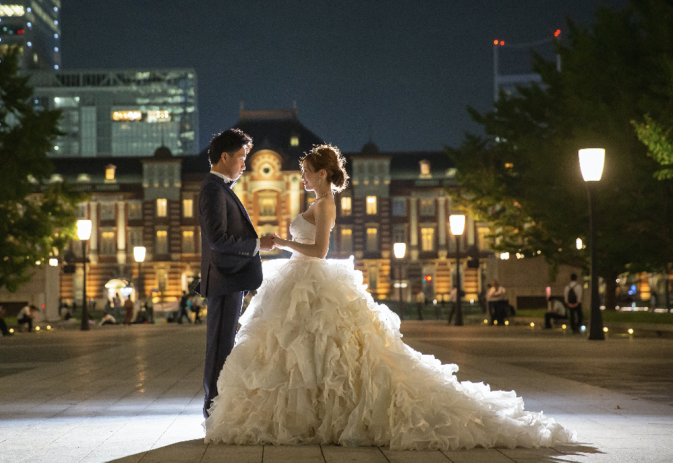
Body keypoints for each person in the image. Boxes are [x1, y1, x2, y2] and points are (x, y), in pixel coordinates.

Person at [204, 144, 574, 450]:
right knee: (303, 352)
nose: (301, 177)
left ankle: (321, 412)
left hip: (310, 277)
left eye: (304, 172)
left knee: (319, 350)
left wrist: (280, 242)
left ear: (321, 174)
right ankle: (311, 412)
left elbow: (318, 251)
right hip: (298, 279)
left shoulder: (326, 205)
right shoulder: (318, 203)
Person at [198, 129, 277, 419]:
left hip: (229, 279)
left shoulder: (221, 189)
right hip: (223, 279)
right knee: (220, 346)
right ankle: (213, 410)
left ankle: (218, 407)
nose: (245, 164)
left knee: (224, 345)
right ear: (224, 156)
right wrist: (258, 245)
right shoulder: (213, 189)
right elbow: (218, 240)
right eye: (242, 158)